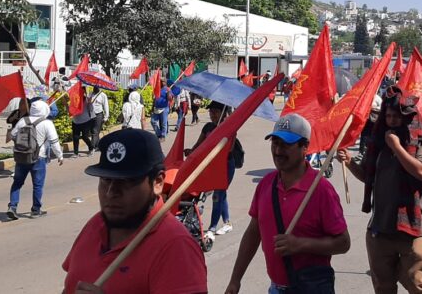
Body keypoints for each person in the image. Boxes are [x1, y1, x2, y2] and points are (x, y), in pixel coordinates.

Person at [62, 129, 207, 293]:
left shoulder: (176, 246)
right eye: (105, 180)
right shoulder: (95, 224)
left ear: (158, 182)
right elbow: (69, 286)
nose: (110, 193)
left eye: (126, 182)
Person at [226, 114, 350, 294]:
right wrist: (235, 280)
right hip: (275, 288)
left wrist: (300, 244)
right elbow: (253, 233)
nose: (277, 151)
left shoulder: (322, 190)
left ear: (305, 147)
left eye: (285, 145)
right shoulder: (266, 184)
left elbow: (343, 243)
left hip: (310, 288)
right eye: (275, 143)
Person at [338, 87, 422, 294]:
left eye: (397, 116)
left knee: (416, 285)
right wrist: (349, 162)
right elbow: (368, 176)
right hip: (380, 227)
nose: (392, 120)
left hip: (412, 228)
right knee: (383, 286)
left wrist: (397, 148)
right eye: (388, 116)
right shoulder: (379, 143)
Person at [187, 101, 241, 240]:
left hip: (226, 166)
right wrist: (191, 152)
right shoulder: (208, 127)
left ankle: (211, 228)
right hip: (211, 165)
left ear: (223, 113)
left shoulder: (230, 128)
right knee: (221, 194)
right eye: (211, 112)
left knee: (218, 194)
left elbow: (228, 149)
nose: (212, 115)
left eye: (215, 112)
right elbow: (199, 144)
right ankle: (227, 223)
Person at [6, 100, 64, 220]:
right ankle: (35, 210)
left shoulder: (23, 120)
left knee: (17, 183)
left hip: (21, 157)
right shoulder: (47, 123)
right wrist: (60, 156)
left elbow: (12, 135)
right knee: (37, 185)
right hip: (39, 157)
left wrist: (22, 144)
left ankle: (12, 206)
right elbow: (54, 142)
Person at [70, 85, 95, 157]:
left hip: (85, 121)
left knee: (85, 136)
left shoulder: (87, 99)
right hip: (76, 121)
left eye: (82, 91)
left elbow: (91, 110)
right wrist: (65, 103)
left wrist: (90, 103)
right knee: (75, 137)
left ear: (84, 91)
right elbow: (70, 110)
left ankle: (91, 148)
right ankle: (75, 153)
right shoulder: (74, 99)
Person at [89, 87, 109, 151]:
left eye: (97, 87)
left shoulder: (103, 95)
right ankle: (98, 145)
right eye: (94, 86)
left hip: (99, 115)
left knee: (95, 131)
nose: (95, 88)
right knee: (93, 131)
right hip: (91, 114)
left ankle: (92, 147)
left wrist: (106, 116)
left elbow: (106, 106)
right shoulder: (90, 94)